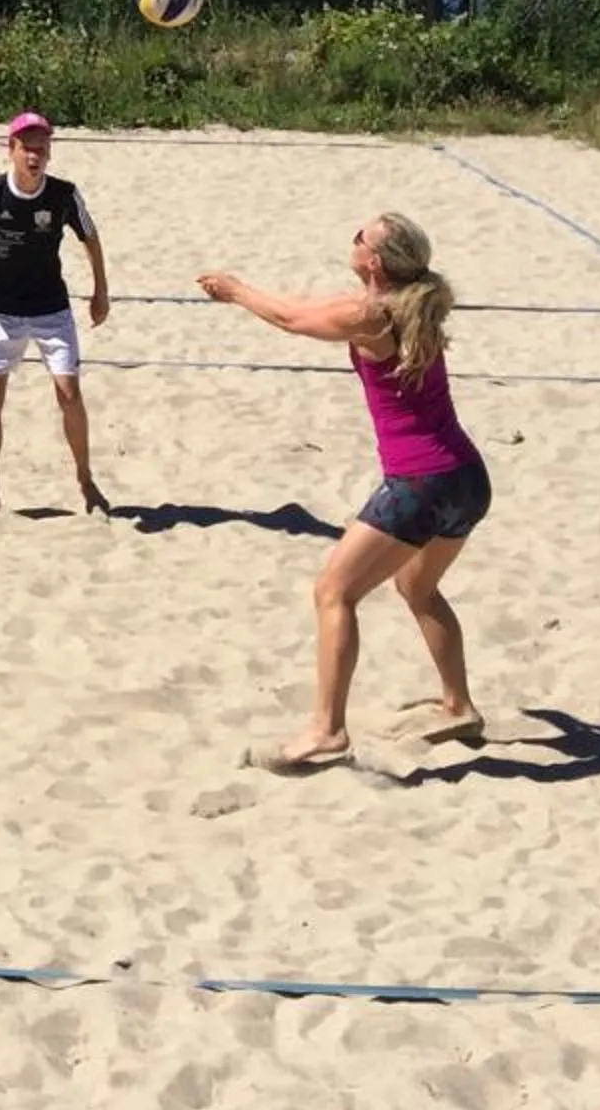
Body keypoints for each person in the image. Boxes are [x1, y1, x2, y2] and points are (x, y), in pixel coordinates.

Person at [198, 213, 490, 773]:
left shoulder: (371, 314)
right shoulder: (409, 302)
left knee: (334, 591)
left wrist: (235, 290)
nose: (353, 239)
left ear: (376, 262)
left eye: (362, 237)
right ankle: (459, 706)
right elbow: (305, 306)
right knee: (417, 587)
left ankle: (327, 732)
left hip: (420, 484)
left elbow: (289, 319)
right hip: (467, 479)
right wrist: (250, 291)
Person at [0, 112, 112, 521]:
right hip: (3, 310)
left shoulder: (64, 195)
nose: (35, 155)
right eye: (28, 147)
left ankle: (86, 479)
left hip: (51, 308)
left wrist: (101, 290)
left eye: (42, 148)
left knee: (69, 393)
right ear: (12, 149)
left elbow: (90, 236)